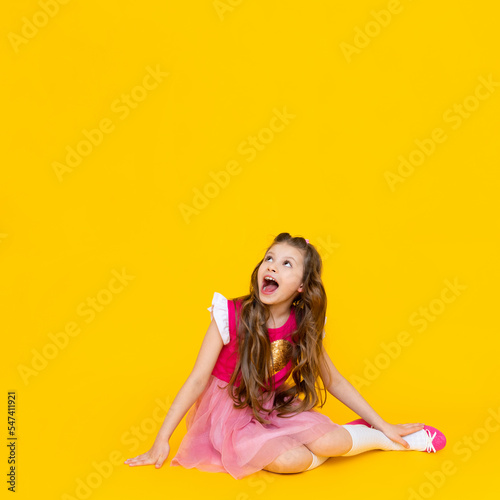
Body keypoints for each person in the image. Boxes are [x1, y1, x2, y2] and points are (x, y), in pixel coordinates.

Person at [124, 232, 446, 480]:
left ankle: (381, 437)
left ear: (303, 286)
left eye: (286, 264)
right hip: (229, 414)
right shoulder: (230, 315)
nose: (272, 267)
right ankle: (345, 438)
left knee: (330, 443)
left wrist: (384, 423)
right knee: (292, 462)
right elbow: (196, 380)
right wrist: (161, 439)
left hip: (270, 405)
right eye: (269, 259)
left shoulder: (302, 326)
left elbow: (333, 380)